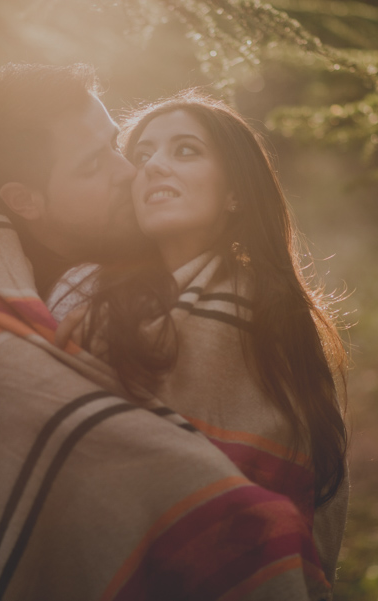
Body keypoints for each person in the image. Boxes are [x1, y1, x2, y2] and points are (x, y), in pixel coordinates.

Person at [0, 63, 331, 601]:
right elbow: (62, 445)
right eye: (95, 163)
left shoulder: (266, 307)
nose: (133, 171)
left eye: (116, 144)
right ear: (25, 201)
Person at [50, 91, 349, 583]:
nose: (153, 166)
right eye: (142, 155)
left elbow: (321, 495)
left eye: (185, 150)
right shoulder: (82, 295)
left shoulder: (279, 321)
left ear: (235, 193)